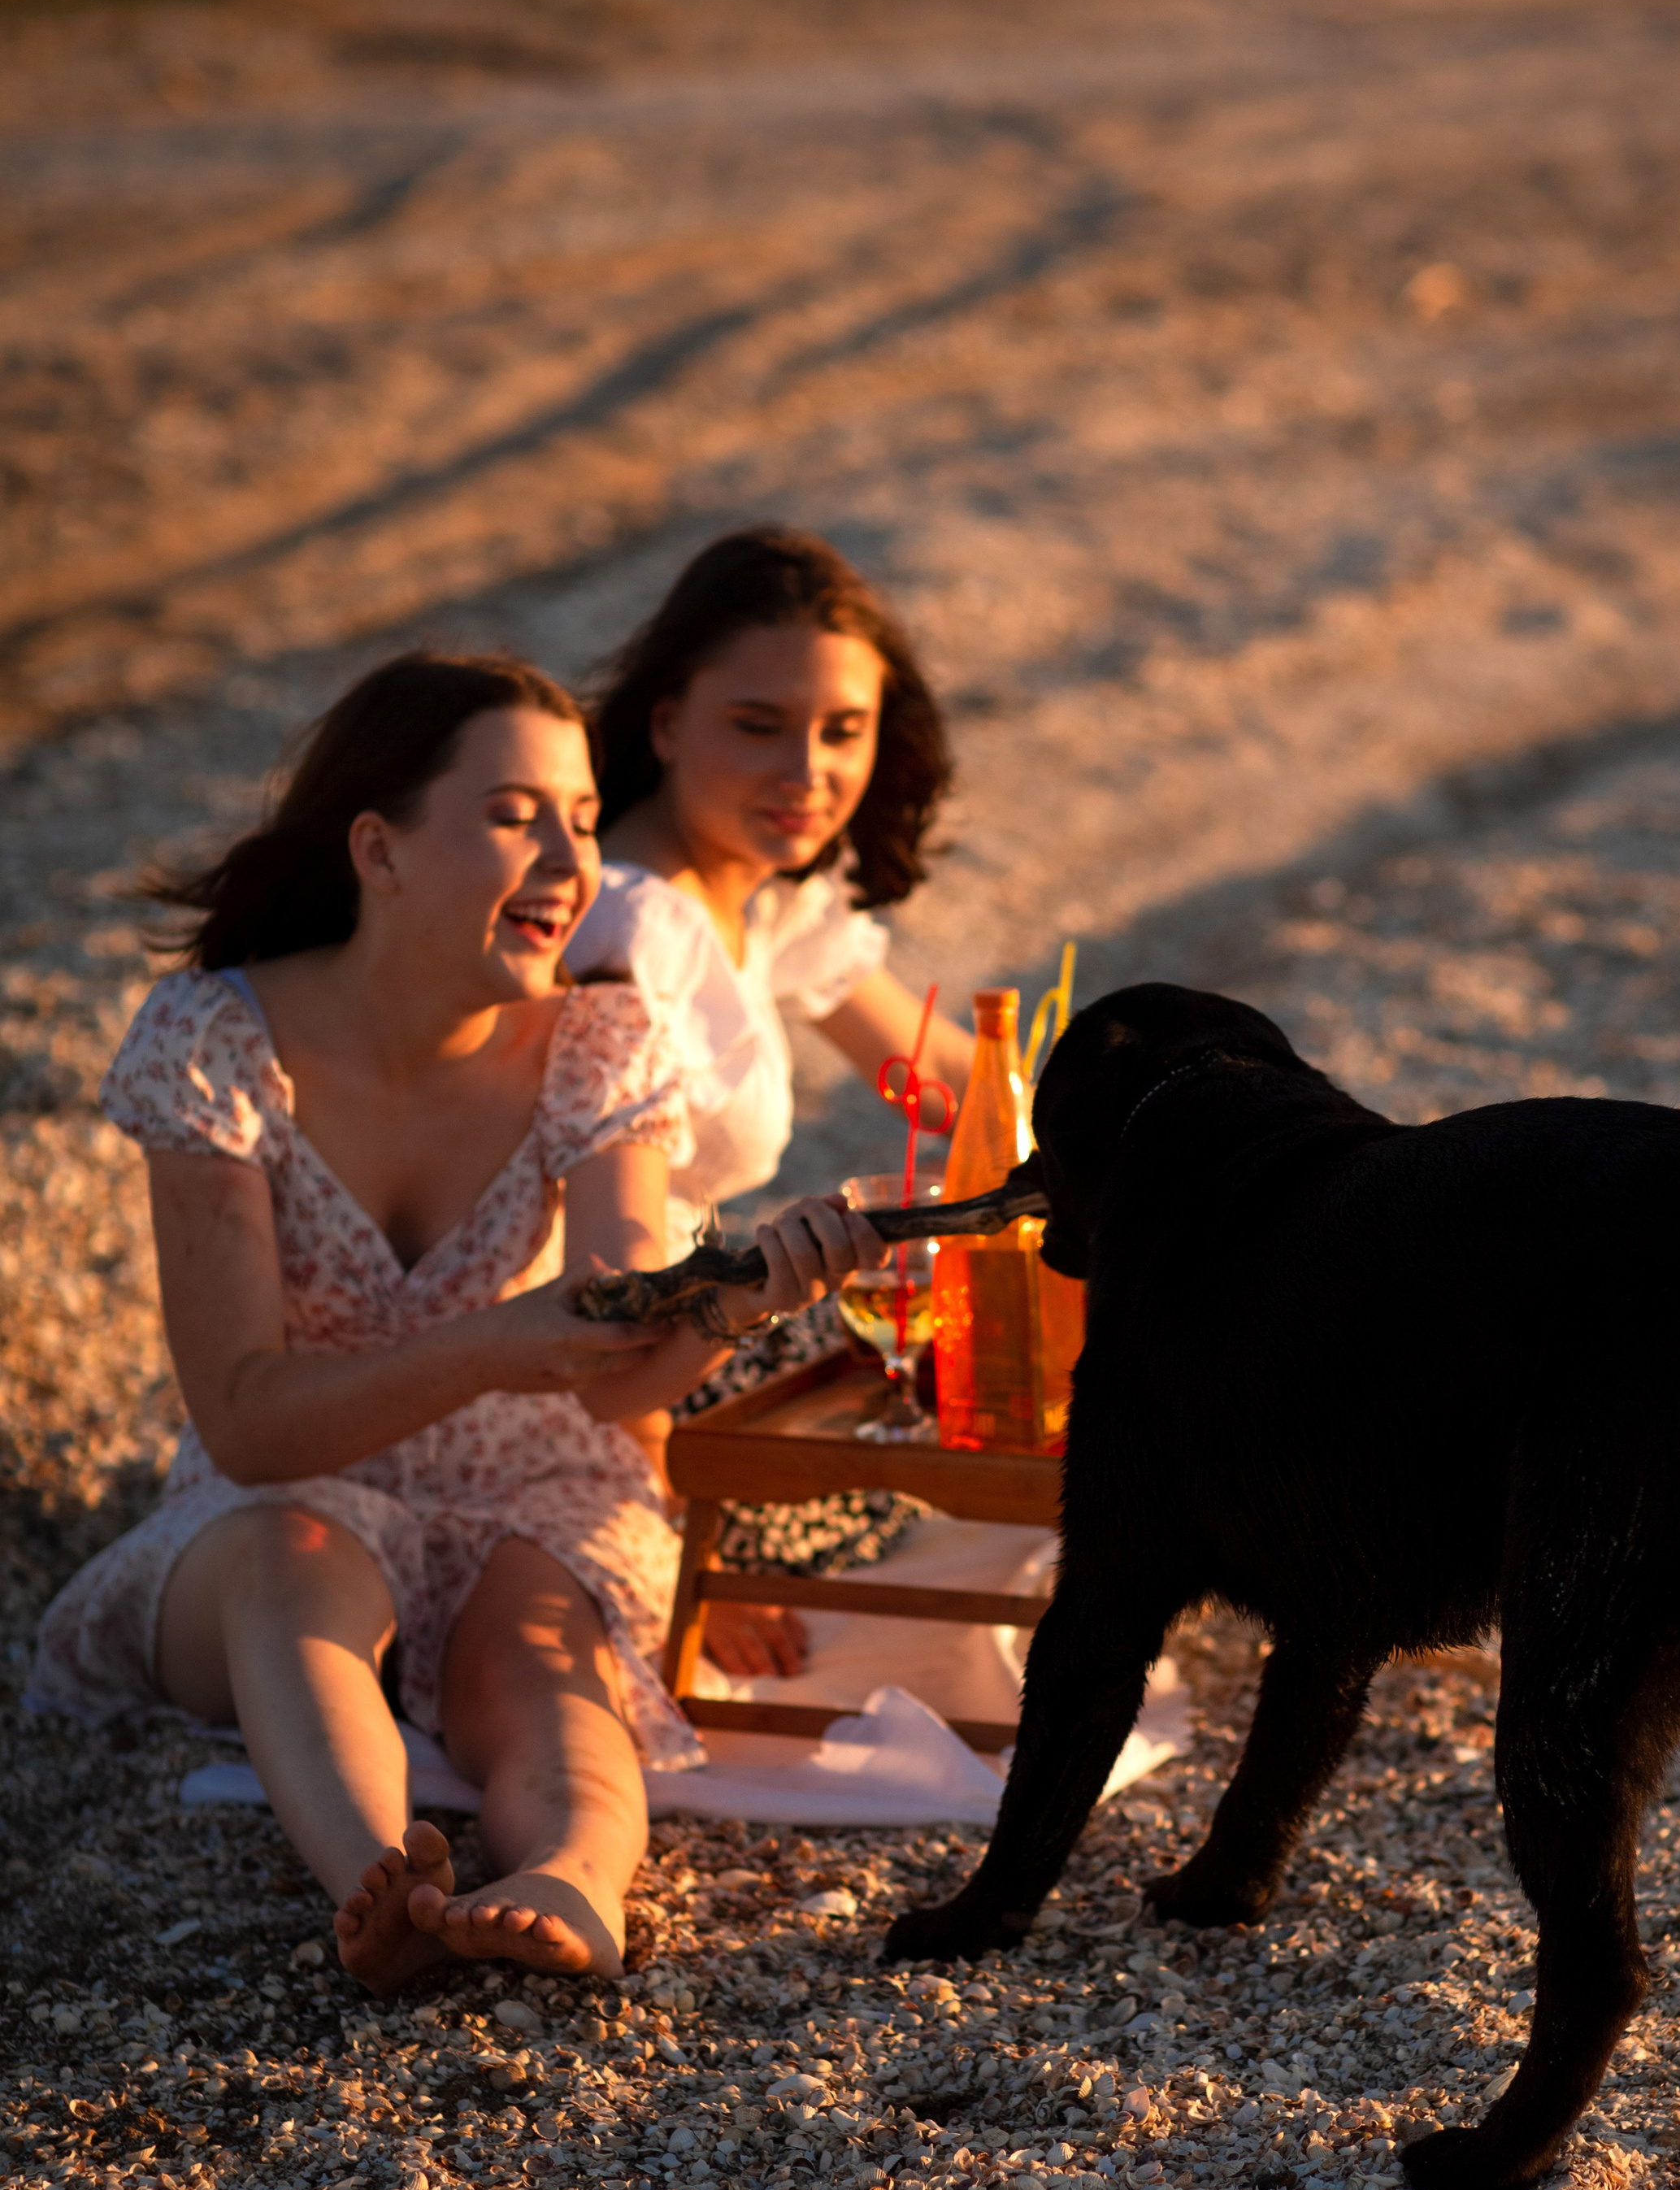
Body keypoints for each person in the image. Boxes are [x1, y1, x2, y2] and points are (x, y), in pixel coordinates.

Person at [27, 651, 883, 1993]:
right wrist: (491, 1345)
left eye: (587, 822)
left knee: (541, 1663)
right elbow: (247, 1426)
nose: (567, 861)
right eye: (513, 815)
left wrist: (739, 1303)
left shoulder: (605, 1044)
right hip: (286, 1489)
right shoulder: (213, 1041)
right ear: (380, 849)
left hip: (535, 1480)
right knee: (287, 1561)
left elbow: (614, 1383)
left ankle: (574, 1883)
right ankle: (385, 1885)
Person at [567, 526, 972, 1676]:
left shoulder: (762, 894)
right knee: (935, 1410)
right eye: (758, 726)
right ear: (664, 723)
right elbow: (597, 1284)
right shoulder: (628, 929)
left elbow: (951, 1082)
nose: (808, 773)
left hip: (693, 1324)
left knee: (971, 1347)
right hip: (602, 1365)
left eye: (844, 732)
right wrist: (680, 1554)